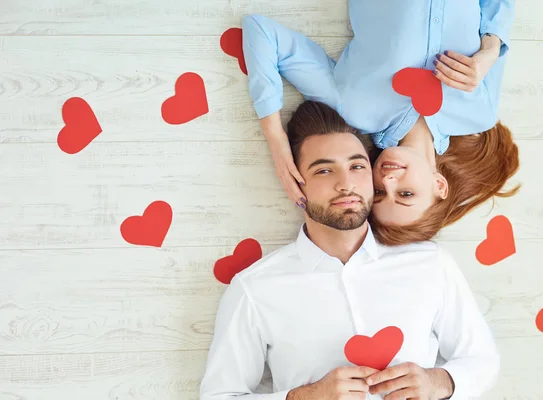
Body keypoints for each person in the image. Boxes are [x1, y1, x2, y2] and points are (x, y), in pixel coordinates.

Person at [199, 101, 501, 400]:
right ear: (296, 183)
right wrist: (307, 397)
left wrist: (437, 382)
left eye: (357, 166)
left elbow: (482, 359)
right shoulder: (254, 289)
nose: (346, 184)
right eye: (324, 171)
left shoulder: (432, 264)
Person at [241, 0, 521, 246]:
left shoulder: (352, 109)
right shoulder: (478, 114)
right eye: (405, 193)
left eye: (377, 192)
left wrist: (275, 139)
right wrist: (491, 50)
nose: (387, 180)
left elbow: (260, 31)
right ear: (439, 186)